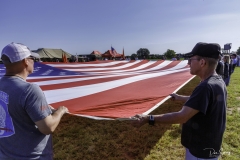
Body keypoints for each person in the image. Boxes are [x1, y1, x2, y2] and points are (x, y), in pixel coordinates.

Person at [132, 42, 226, 160]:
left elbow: (182, 117)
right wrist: (180, 98)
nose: (188, 63)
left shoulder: (205, 86)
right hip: (210, 146)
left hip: (200, 151)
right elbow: (203, 102)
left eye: (191, 60)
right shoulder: (217, 81)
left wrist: (149, 118)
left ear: (202, 62)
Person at [0, 42, 69, 159]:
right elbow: (47, 127)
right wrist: (60, 111)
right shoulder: (29, 90)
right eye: (32, 58)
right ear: (25, 61)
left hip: (6, 154)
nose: (34, 62)